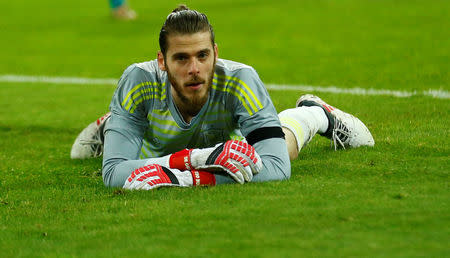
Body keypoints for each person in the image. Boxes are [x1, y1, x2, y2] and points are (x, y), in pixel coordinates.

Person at [71, 5, 374, 190]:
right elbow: (112, 174)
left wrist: (187, 178)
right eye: (181, 59)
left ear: (216, 53)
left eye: (203, 56)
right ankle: (113, 125)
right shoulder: (138, 81)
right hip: (161, 141)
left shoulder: (240, 80)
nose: (194, 69)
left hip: (222, 143)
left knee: (281, 151)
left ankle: (314, 113)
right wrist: (195, 159)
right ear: (162, 62)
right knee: (82, 156)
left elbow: (277, 169)